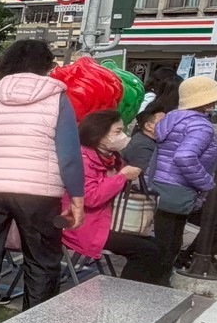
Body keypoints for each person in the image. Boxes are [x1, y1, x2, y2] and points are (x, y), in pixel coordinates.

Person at [0, 40, 84, 323]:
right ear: (47, 66)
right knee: (41, 258)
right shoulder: (57, 98)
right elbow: (68, 153)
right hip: (39, 191)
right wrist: (77, 198)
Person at [64, 110, 169, 285]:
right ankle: (125, 296)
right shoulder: (82, 160)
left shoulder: (112, 157)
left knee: (160, 247)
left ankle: (155, 293)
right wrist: (121, 177)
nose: (123, 136)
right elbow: (90, 197)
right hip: (84, 225)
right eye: (118, 131)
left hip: (109, 220)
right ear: (99, 135)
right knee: (146, 252)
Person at [152, 75, 217, 271]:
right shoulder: (200, 125)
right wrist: (206, 182)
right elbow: (184, 157)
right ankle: (160, 279)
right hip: (181, 188)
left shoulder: (173, 118)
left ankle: (162, 275)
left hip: (163, 185)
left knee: (167, 240)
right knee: (171, 243)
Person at [122, 105, 166, 172]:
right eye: (163, 122)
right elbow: (146, 174)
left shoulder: (153, 139)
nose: (168, 125)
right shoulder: (140, 145)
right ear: (148, 126)